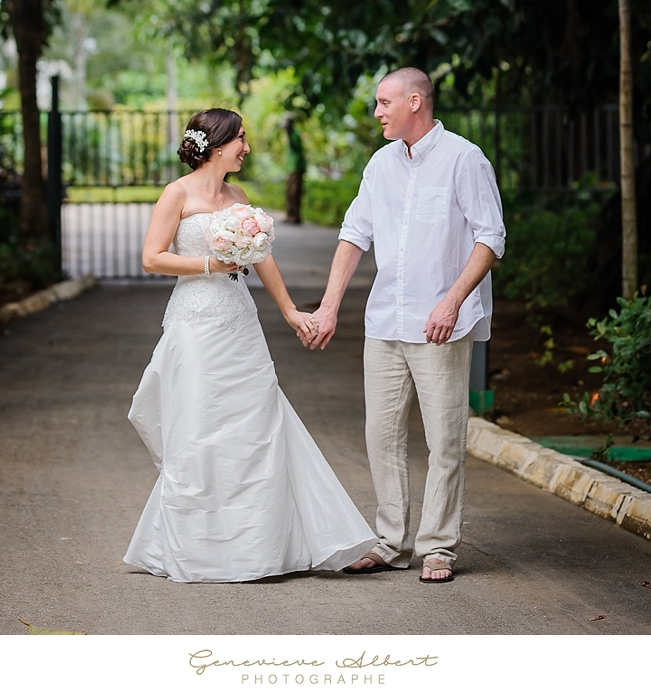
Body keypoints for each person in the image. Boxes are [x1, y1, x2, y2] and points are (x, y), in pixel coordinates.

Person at [123, 107, 376, 584]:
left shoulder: (238, 197)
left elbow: (262, 260)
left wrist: (290, 312)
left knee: (263, 423)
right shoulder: (176, 193)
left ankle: (299, 542)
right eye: (241, 139)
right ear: (217, 144)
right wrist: (208, 268)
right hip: (195, 323)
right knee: (200, 428)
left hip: (239, 321)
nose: (247, 147)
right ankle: (200, 549)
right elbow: (152, 258)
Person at [305, 68, 505, 583]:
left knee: (445, 440)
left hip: (440, 325)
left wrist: (452, 302)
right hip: (385, 322)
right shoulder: (380, 164)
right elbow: (355, 234)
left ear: (414, 102)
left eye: (383, 103)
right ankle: (392, 542)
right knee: (382, 434)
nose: (377, 113)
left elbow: (491, 238)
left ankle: (438, 547)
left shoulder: (465, 158)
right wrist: (328, 307)